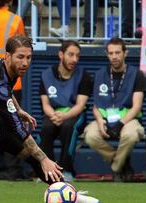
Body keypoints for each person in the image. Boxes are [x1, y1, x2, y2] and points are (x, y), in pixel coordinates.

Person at [0, 35, 63, 203]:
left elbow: (5, 91)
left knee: (27, 152)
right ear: (8, 56)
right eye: (20, 57)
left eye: (29, 57)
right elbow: (18, 127)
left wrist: (19, 109)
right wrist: (44, 158)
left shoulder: (4, 67)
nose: (25, 63)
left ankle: (64, 189)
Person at [83, 37, 145, 182]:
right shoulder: (100, 74)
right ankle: (122, 164)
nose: (114, 56)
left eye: (117, 52)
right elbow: (96, 106)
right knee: (90, 135)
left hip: (129, 120)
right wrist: (99, 121)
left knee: (131, 135)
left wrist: (120, 124)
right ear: (107, 55)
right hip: (105, 119)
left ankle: (116, 168)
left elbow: (137, 106)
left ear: (125, 53)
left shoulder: (137, 74)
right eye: (111, 53)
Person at [39, 40, 93, 181]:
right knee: (46, 128)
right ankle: (48, 172)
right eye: (70, 55)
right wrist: (55, 115)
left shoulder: (84, 76)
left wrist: (65, 116)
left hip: (75, 114)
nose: (74, 59)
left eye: (77, 56)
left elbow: (80, 105)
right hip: (54, 113)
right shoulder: (46, 75)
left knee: (69, 127)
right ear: (61, 55)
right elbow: (45, 105)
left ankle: (66, 171)